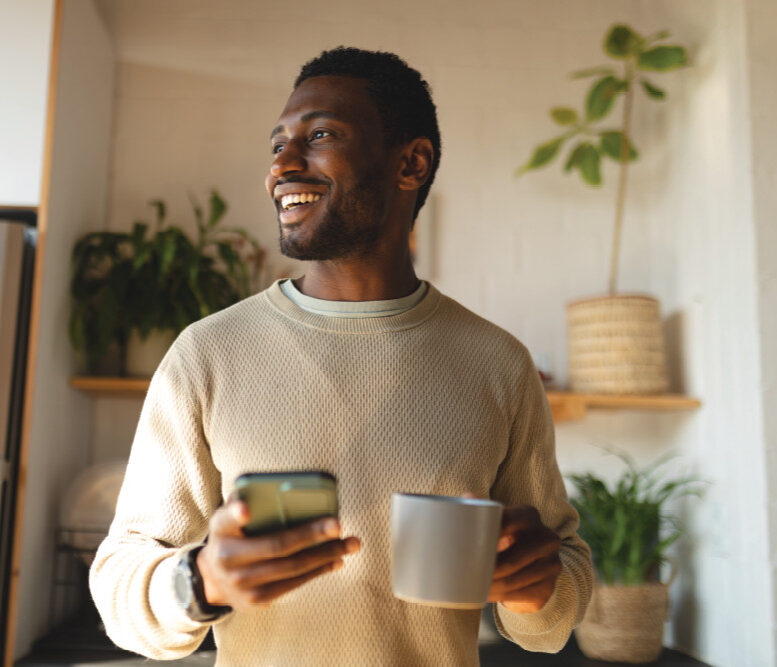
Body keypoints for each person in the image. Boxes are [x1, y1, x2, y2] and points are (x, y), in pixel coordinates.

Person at [90, 46, 592, 666]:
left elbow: (557, 603)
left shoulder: (497, 364)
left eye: (321, 134)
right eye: (278, 145)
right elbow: (119, 583)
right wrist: (202, 582)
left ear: (411, 163)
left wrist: (536, 590)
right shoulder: (207, 354)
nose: (284, 165)